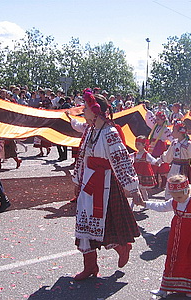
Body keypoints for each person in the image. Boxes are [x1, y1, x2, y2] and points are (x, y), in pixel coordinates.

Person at [72, 89, 141, 280]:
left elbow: (121, 160)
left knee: (106, 222)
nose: (83, 112)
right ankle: (90, 266)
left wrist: (133, 188)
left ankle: (121, 247)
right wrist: (77, 180)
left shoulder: (110, 133)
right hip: (88, 183)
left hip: (105, 185)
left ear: (95, 111)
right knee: (84, 223)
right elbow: (82, 158)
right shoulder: (89, 131)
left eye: (85, 108)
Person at [136, 174, 191, 298]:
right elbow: (161, 207)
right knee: (173, 259)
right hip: (176, 236)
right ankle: (166, 287)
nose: (176, 199)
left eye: (179, 196)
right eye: (174, 196)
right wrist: (145, 204)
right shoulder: (174, 201)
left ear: (186, 191)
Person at [157, 119, 191, 199]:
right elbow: (168, 156)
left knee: (183, 190)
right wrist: (160, 160)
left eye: (174, 131)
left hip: (184, 170)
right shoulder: (174, 143)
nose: (172, 133)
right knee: (171, 188)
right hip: (173, 169)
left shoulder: (188, 145)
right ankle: (173, 205)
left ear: (180, 133)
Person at [145, 110, 173, 189]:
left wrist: (175, 144)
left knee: (162, 163)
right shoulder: (155, 126)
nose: (156, 121)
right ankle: (155, 182)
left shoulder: (166, 129)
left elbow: (171, 138)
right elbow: (149, 119)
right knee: (153, 163)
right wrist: (147, 110)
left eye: (158, 119)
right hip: (153, 147)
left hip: (160, 147)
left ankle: (164, 181)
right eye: (156, 119)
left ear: (163, 120)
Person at [130, 135, 157, 203]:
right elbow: (127, 157)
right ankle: (144, 202)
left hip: (143, 174)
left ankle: (142, 202)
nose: (136, 145)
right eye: (136, 144)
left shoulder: (146, 154)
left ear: (143, 145)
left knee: (141, 189)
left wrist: (157, 162)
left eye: (138, 144)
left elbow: (152, 160)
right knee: (140, 189)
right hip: (136, 174)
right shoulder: (135, 154)